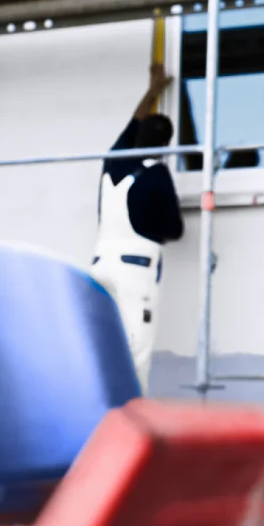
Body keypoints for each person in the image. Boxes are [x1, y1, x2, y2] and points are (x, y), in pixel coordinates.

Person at [92, 62, 184, 389]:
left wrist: (154, 89)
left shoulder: (112, 159)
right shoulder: (157, 173)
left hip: (101, 266)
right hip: (135, 273)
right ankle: (129, 428)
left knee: (104, 349)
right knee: (136, 353)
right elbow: (174, 229)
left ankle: (98, 416)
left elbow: (135, 120)